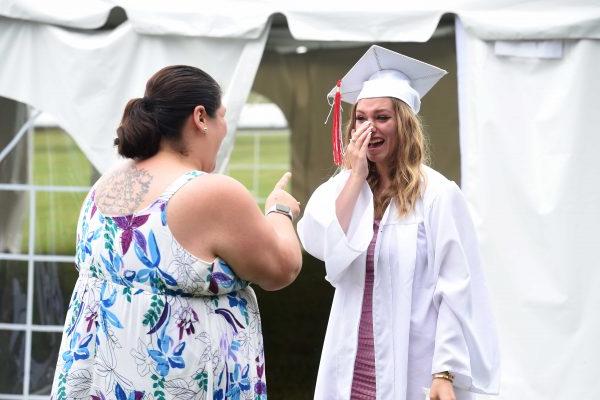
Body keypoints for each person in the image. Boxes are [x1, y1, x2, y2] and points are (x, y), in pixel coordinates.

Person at [50, 65, 302, 399]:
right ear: (201, 117)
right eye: (222, 116)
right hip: (174, 382)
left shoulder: (107, 181)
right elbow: (281, 269)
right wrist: (279, 211)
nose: (225, 128)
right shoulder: (211, 193)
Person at [297, 45, 500, 400]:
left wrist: (445, 371)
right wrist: (355, 177)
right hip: (352, 358)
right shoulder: (345, 185)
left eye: (382, 117)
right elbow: (325, 244)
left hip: (414, 363)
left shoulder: (438, 194)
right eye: (360, 118)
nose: (368, 128)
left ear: (404, 123)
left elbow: (454, 288)